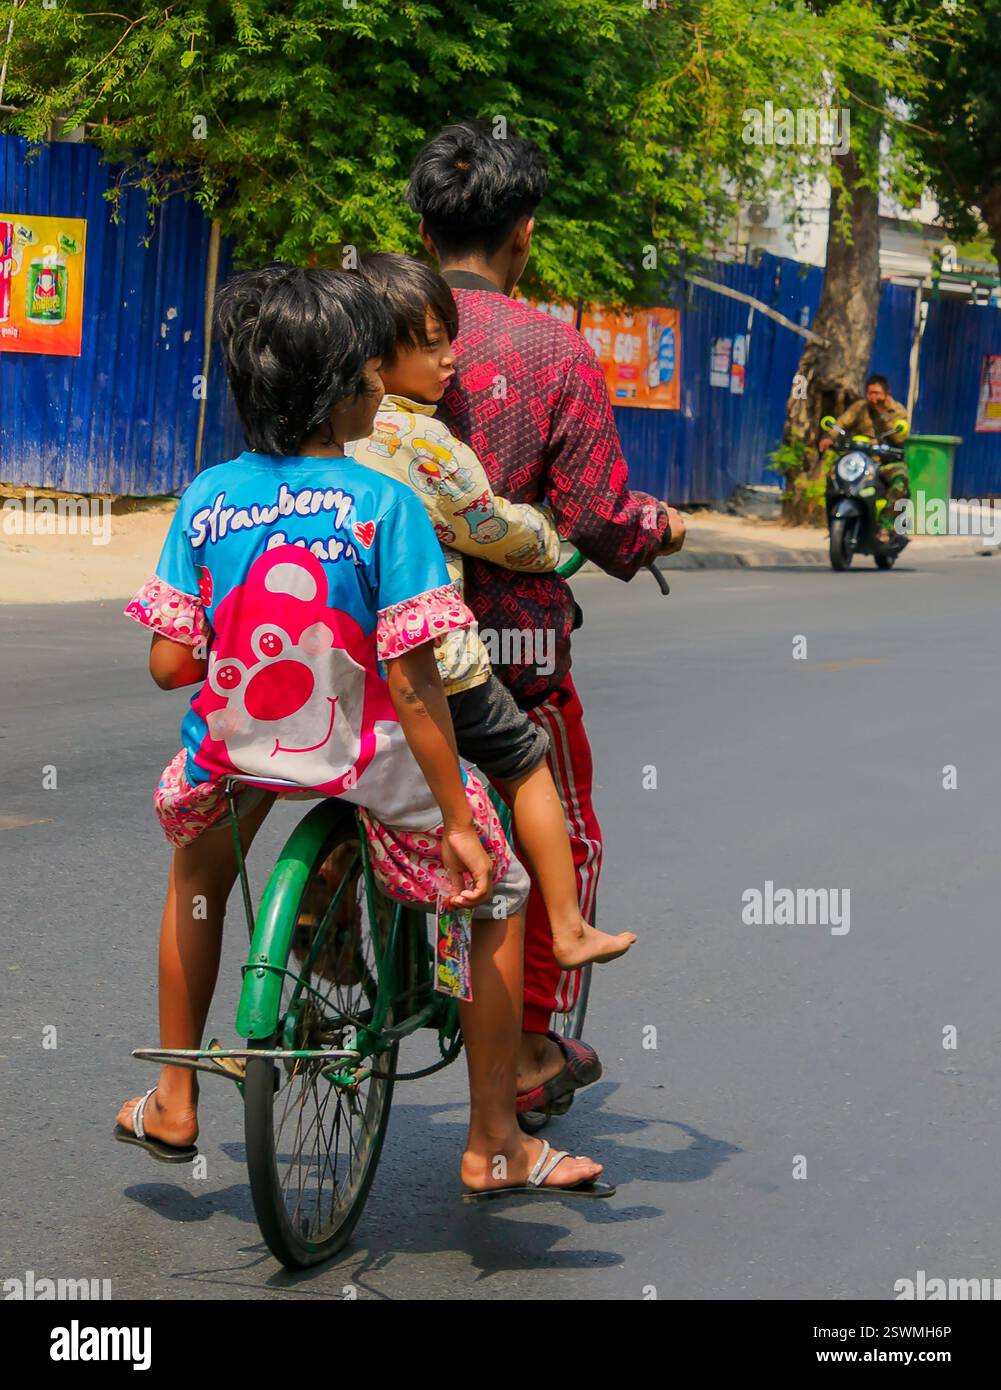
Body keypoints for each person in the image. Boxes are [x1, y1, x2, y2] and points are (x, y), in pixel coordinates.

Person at [113, 263, 606, 1198]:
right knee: (495, 891)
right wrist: (459, 823)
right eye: (366, 370)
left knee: (199, 882)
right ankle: (496, 1141)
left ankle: (173, 1095)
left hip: (241, 750)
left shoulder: (207, 495)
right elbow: (417, 686)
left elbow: (170, 666)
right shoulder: (385, 505)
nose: (381, 382)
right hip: (366, 751)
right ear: (339, 390)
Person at [406, 122, 687, 1118]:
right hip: (508, 653)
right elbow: (601, 519)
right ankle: (530, 1046)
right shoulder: (550, 347)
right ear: (523, 233)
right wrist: (663, 527)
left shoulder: (372, 323)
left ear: (423, 221)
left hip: (371, 633)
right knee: (563, 830)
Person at [349, 250, 636, 970]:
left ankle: (331, 908)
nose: (452, 359)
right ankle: (567, 928)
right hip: (427, 658)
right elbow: (487, 526)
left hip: (333, 655)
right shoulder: (423, 443)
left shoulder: (323, 435)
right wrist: (556, 546)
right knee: (525, 761)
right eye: (432, 343)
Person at [819, 374, 910, 542]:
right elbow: (842, 423)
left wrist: (883, 415)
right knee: (833, 475)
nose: (873, 397)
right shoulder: (860, 407)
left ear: (886, 394)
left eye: (877, 393)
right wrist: (829, 437)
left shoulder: (897, 411)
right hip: (859, 459)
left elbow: (899, 438)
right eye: (870, 393)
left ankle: (885, 525)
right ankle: (833, 521)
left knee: (900, 478)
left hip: (884, 460)